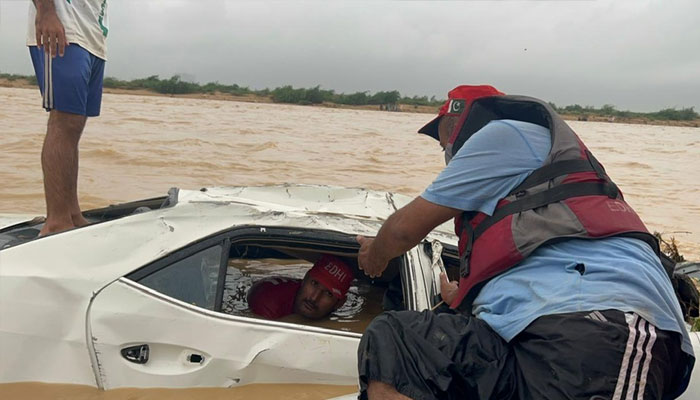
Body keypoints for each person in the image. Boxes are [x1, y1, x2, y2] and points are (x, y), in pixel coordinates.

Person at [355, 85, 694, 399]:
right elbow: (540, 256)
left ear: (471, 118)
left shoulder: (506, 133)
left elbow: (402, 230)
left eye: (447, 133)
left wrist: (376, 254)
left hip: (595, 326)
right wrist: (468, 297)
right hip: (526, 339)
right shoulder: (512, 178)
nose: (445, 148)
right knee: (396, 342)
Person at [27, 0, 109, 235]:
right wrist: (46, 12)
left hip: (92, 34)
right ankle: (57, 220)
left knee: (75, 124)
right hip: (64, 27)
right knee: (64, 120)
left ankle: (72, 213)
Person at [247, 254, 354, 320]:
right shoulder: (268, 302)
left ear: (340, 303)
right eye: (314, 283)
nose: (314, 298)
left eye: (329, 293)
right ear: (305, 279)